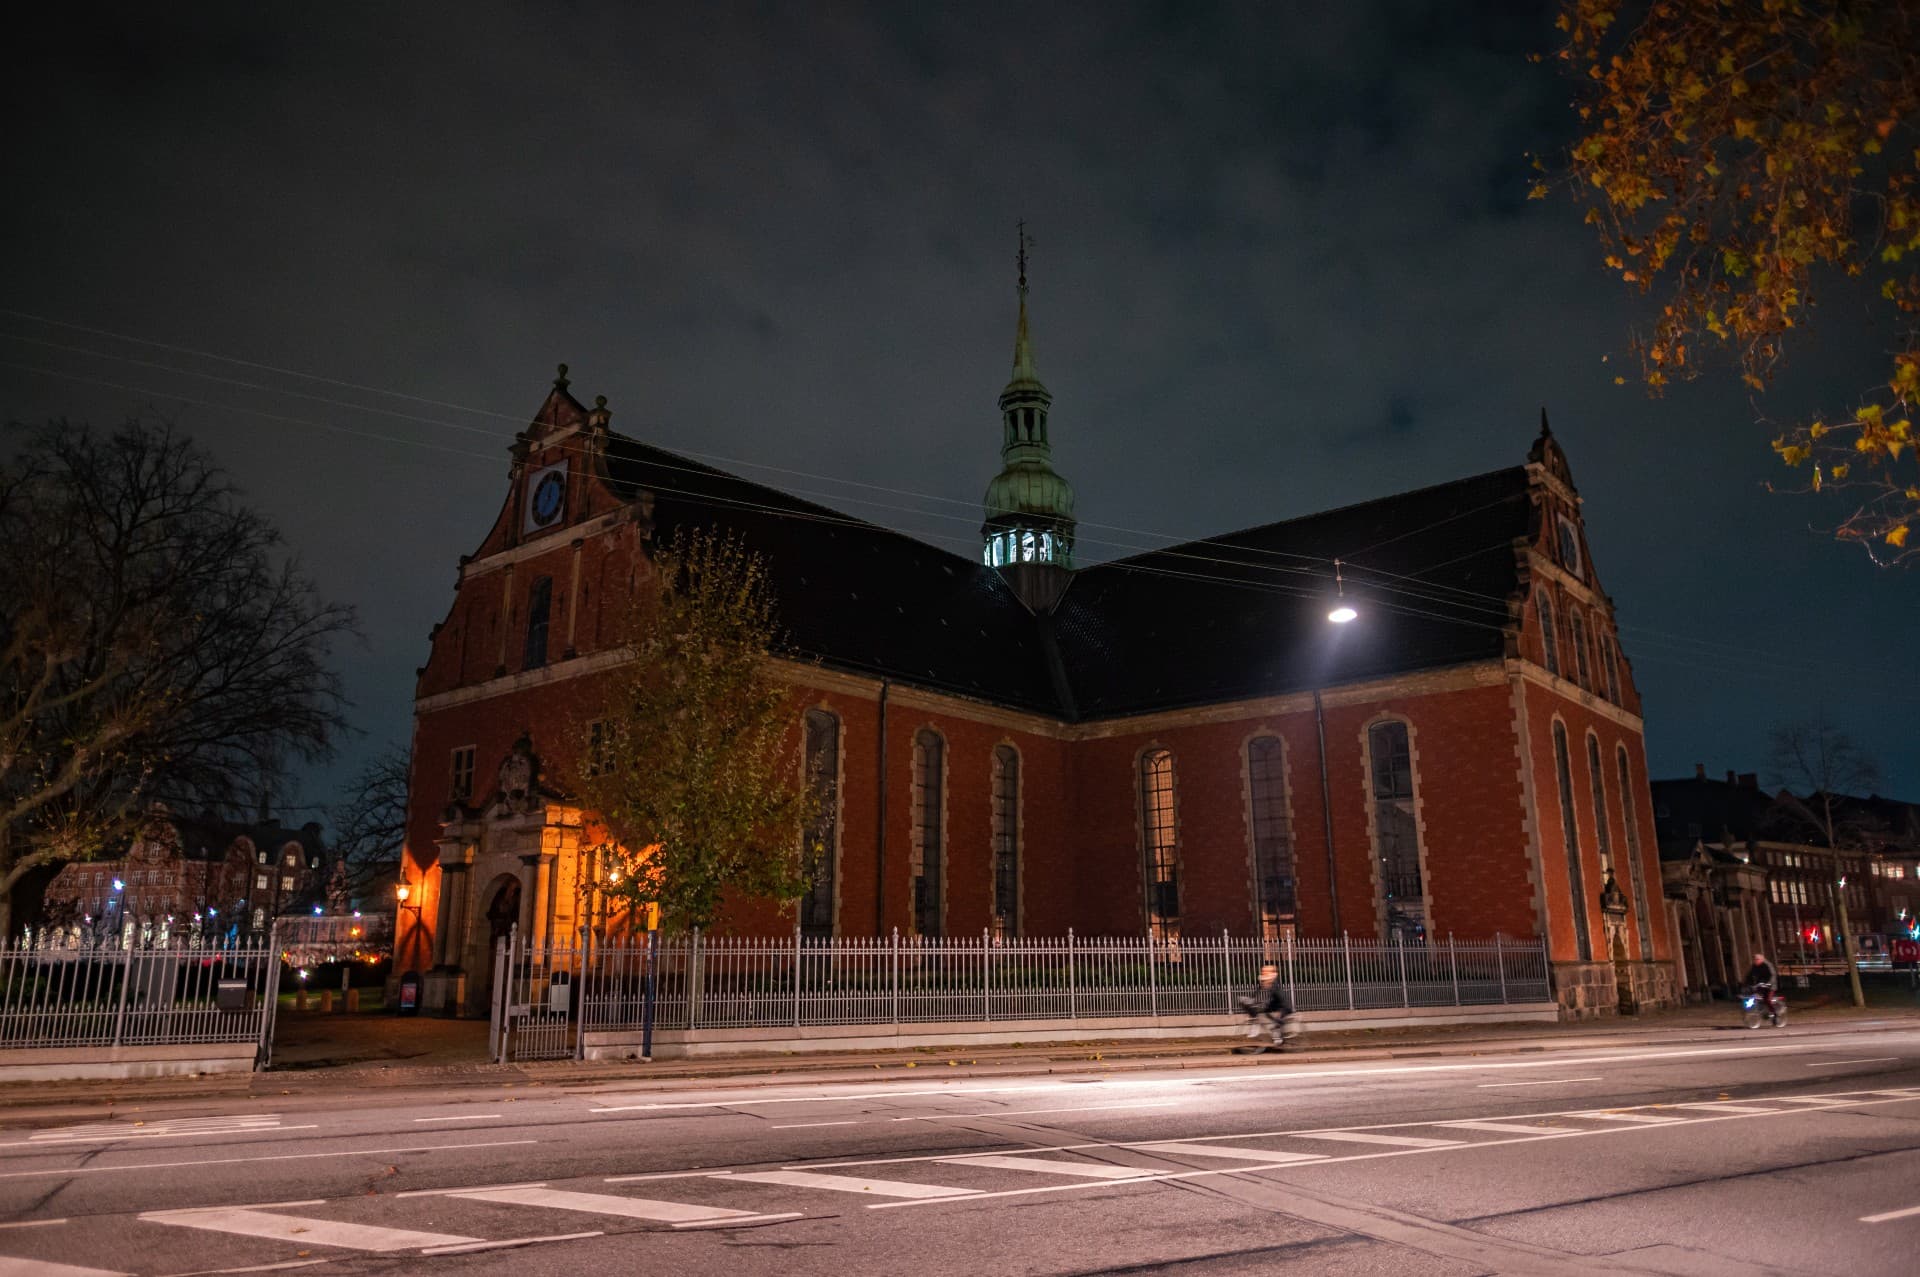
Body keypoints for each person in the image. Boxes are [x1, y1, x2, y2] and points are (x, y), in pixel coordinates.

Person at [1238, 962, 1296, 1052]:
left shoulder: (1275, 984)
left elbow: (1276, 996)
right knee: (1265, 1012)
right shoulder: (1265, 982)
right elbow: (1257, 991)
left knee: (1278, 1022)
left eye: (1266, 977)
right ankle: (1274, 1032)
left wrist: (1265, 1003)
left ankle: (1279, 1038)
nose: (1265, 982)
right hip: (1275, 1003)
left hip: (1284, 1005)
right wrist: (1252, 1000)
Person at [1744, 951, 1779, 1017]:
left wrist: (1768, 983)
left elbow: (1773, 975)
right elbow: (1749, 975)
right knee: (1753, 995)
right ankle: (1752, 1009)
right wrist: (1746, 984)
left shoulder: (1768, 965)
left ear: (1762, 959)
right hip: (1760, 984)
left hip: (1770, 985)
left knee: (1767, 999)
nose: (1755, 960)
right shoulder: (1754, 966)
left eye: (1757, 959)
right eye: (1755, 959)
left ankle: (1774, 1013)